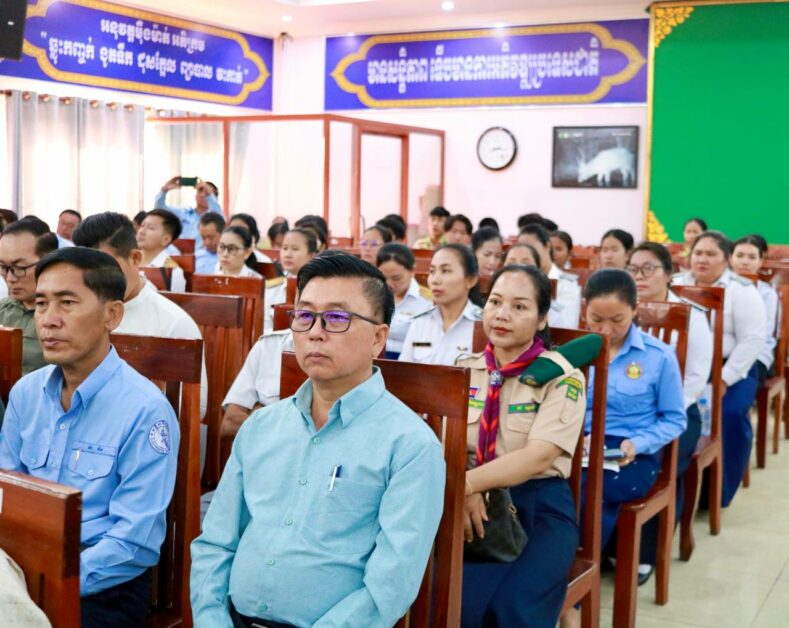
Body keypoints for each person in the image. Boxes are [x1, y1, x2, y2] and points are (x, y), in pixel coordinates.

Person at [191, 253, 445, 627]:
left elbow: (390, 586)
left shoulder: (410, 445)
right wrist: (212, 619)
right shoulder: (261, 427)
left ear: (378, 338)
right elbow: (216, 543)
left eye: (337, 318)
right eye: (305, 315)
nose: (315, 332)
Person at [0, 247, 179, 627]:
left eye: (67, 303)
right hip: (24, 566)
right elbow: (7, 495)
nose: (48, 320)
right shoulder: (26, 393)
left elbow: (133, 541)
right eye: (41, 304)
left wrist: (52, 583)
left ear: (112, 315)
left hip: (103, 582)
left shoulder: (145, 410)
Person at [459, 264, 586, 627]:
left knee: (511, 609)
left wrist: (468, 484)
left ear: (542, 318)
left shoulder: (562, 377)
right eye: (495, 302)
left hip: (537, 505)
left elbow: (538, 457)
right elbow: (442, 442)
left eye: (519, 306)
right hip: (467, 503)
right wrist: (464, 487)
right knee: (446, 596)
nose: (502, 314)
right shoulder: (463, 369)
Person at [581, 269, 685, 595]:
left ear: (635, 310)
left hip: (632, 453)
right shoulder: (573, 350)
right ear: (584, 309)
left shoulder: (658, 356)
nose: (606, 330)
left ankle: (577, 578)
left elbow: (675, 419)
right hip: (580, 443)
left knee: (592, 489)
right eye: (596, 319)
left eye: (617, 320)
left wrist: (637, 443)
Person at [627, 242, 713, 582]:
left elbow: (696, 379)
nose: (640, 275)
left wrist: (659, 414)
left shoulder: (692, 316)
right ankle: (606, 543)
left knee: (661, 464)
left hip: (676, 412)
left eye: (649, 268)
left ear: (668, 274)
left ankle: (648, 552)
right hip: (627, 411)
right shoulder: (622, 309)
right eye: (634, 269)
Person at [72, 212, 208, 418]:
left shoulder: (173, 323)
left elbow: (195, 408)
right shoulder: (74, 314)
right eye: (86, 270)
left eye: (105, 268)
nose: (95, 280)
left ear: (135, 258)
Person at [673, 231, 766, 506]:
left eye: (711, 254)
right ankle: (678, 488)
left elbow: (752, 341)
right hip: (685, 368)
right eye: (698, 253)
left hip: (731, 370)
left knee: (730, 414)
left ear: (726, 259)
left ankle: (717, 492)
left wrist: (724, 379)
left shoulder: (741, 290)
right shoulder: (676, 285)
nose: (702, 259)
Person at [400, 244, 483, 365]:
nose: (435, 280)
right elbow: (404, 369)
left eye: (445, 271)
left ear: (470, 280)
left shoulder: (482, 325)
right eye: (432, 271)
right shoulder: (420, 321)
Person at [0, 218, 58, 373]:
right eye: (3, 267)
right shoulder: (3, 310)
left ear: (49, 262)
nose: (10, 278)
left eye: (20, 267)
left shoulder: (67, 317)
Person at [730, 235, 778, 385]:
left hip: (757, 355)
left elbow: (764, 334)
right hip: (723, 351)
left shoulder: (767, 293)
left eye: (752, 257)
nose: (745, 262)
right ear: (730, 258)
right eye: (740, 255)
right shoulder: (721, 287)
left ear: (760, 261)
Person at [518, 223, 581, 329]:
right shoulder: (516, 280)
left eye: (532, 249)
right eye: (521, 250)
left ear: (547, 246)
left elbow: (567, 327)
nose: (527, 254)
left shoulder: (567, 284)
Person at [376, 243, 432, 359]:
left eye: (396, 278)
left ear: (412, 271)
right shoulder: (373, 296)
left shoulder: (427, 301)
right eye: (383, 278)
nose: (389, 284)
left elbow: (428, 344)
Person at [264, 228, 318, 333]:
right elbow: (265, 327)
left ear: (312, 255)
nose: (288, 254)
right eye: (284, 248)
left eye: (295, 249)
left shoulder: (319, 288)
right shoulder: (272, 289)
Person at [154, 176, 222, 244]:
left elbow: (217, 212)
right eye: (200, 190)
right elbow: (160, 209)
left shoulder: (214, 217)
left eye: (206, 193)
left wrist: (210, 194)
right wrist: (164, 190)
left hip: (202, 250)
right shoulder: (184, 212)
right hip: (178, 250)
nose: (202, 195)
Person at [136, 209, 186, 292]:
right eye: (142, 225)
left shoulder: (173, 272)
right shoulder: (127, 260)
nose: (141, 231)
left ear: (165, 239)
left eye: (150, 228)